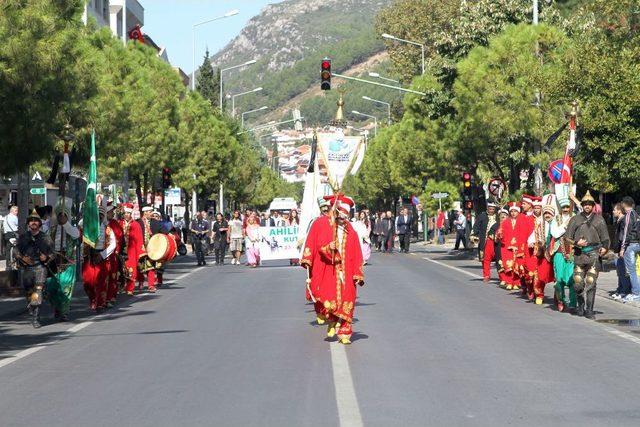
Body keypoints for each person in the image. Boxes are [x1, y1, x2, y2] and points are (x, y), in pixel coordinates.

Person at [301, 194, 364, 345]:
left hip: (347, 271)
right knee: (331, 299)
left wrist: (357, 272)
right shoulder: (322, 224)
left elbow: (357, 252)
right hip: (329, 268)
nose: (342, 218)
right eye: (340, 214)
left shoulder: (351, 231)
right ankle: (332, 319)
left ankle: (345, 332)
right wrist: (329, 248)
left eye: (345, 216)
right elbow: (317, 245)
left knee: (348, 299)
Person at [565, 191, 610, 319]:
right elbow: (567, 237)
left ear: (593, 205)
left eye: (590, 204)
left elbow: (606, 239)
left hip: (594, 255)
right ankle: (580, 305)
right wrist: (576, 242)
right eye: (585, 204)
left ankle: (589, 309)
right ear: (582, 205)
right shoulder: (575, 219)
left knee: (590, 282)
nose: (587, 206)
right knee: (578, 283)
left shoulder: (599, 220)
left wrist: (605, 248)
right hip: (579, 254)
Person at [14, 210, 53, 328]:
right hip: (27, 268)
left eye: (36, 221)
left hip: (40, 268)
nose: (34, 223)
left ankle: (36, 318)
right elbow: (16, 250)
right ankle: (32, 306)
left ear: (40, 224)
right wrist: (21, 258)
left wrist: (46, 257)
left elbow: (52, 254)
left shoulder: (46, 238)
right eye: (31, 221)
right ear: (28, 224)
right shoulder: (23, 237)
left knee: (38, 291)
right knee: (29, 292)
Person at [82, 206, 116, 311]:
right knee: (88, 282)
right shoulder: (88, 227)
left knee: (101, 281)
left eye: (101, 216)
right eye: (98, 216)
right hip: (89, 257)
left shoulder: (108, 229)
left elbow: (113, 244)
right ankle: (93, 299)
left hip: (101, 256)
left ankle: (100, 303)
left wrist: (102, 255)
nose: (99, 218)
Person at [549, 200, 576, 312]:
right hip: (559, 252)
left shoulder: (575, 218)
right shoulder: (556, 219)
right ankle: (561, 300)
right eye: (563, 207)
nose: (565, 209)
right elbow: (554, 233)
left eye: (567, 207)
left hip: (573, 253)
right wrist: (565, 225)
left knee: (573, 279)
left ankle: (573, 303)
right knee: (559, 280)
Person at [497, 202, 528, 291]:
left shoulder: (522, 221)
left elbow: (523, 233)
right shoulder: (505, 222)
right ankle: (509, 282)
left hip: (518, 246)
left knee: (517, 265)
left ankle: (516, 282)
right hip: (507, 246)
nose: (513, 213)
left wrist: (520, 244)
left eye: (515, 211)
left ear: (518, 212)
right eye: (512, 211)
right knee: (508, 265)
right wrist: (500, 234)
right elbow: (500, 233)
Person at [531, 205, 556, 305]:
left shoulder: (557, 224)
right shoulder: (539, 223)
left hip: (556, 253)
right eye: (545, 213)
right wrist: (531, 242)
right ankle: (539, 295)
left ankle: (558, 298)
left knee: (557, 277)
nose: (547, 215)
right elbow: (533, 235)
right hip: (543, 254)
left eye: (549, 213)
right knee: (539, 275)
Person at [119, 203, 144, 295]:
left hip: (132, 251)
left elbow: (139, 239)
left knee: (131, 268)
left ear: (131, 214)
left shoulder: (136, 224)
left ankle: (130, 288)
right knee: (121, 269)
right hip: (121, 250)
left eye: (128, 213)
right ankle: (121, 286)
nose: (127, 215)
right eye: (125, 213)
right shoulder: (119, 223)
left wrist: (140, 252)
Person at [620, 197, 640, 302]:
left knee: (631, 271)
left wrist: (623, 248)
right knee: (637, 270)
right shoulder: (637, 215)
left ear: (623, 204)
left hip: (631, 245)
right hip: (638, 244)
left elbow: (626, 233)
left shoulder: (628, 216)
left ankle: (636, 293)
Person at [611, 203, 632, 300]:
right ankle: (620, 289)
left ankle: (624, 291)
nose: (613, 212)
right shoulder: (619, 221)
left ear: (619, 211)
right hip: (617, 249)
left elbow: (622, 236)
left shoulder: (623, 221)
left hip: (621, 250)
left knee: (623, 271)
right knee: (619, 272)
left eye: (614, 210)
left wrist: (621, 249)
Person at [471, 202, 497, 272]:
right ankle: (486, 274)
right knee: (485, 259)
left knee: (498, 258)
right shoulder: (482, 216)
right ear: (487, 208)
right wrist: (473, 235)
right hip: (484, 240)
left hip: (495, 241)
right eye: (490, 209)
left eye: (493, 209)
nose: (491, 210)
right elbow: (476, 226)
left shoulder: (497, 217)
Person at [105, 204, 123, 306]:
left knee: (113, 275)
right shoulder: (100, 224)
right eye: (111, 212)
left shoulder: (114, 223)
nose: (113, 214)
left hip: (113, 253)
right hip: (101, 253)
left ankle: (111, 296)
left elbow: (119, 237)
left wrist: (117, 250)